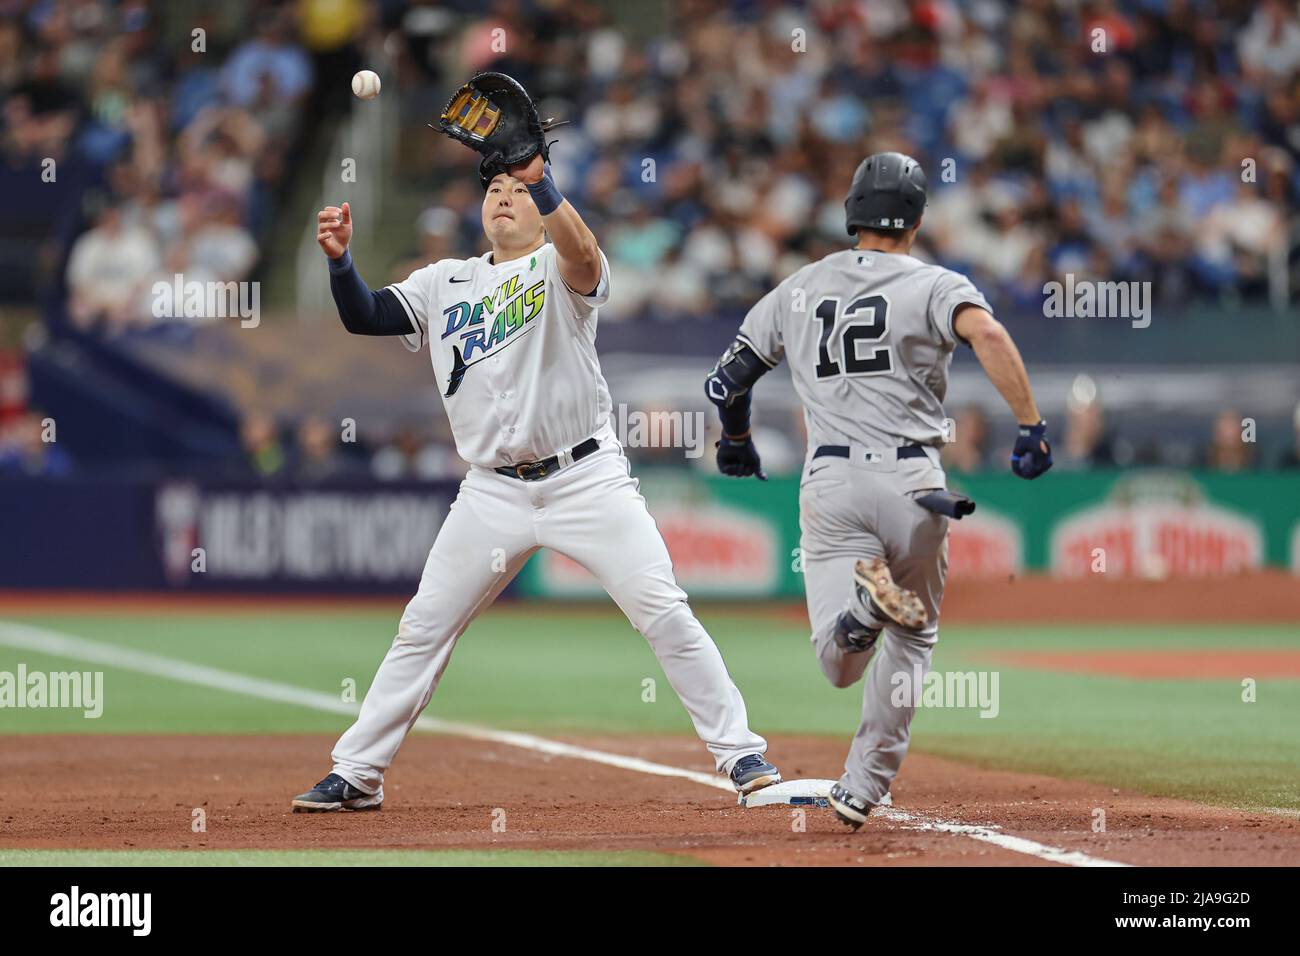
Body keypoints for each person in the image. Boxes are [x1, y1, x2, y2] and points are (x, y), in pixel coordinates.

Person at [291, 133, 779, 812]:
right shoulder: (445, 280)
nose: (503, 198)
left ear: (542, 203)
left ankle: (742, 753)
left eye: (517, 190)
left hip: (586, 478)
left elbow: (583, 255)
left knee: (661, 609)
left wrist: (545, 184)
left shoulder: (559, 264)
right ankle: (358, 773)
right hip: (491, 489)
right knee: (423, 627)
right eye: (494, 189)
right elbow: (367, 315)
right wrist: (342, 264)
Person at [705, 152, 1051, 829]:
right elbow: (989, 331)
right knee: (915, 641)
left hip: (832, 478)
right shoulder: (935, 285)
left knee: (839, 665)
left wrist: (736, 440)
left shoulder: (800, 287)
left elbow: (728, 380)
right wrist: (1031, 425)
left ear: (851, 215)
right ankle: (864, 786)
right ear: (918, 220)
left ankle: (864, 612)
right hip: (915, 482)